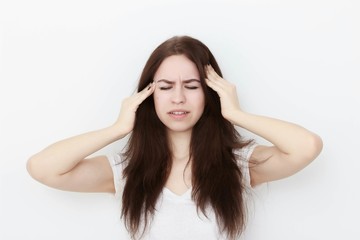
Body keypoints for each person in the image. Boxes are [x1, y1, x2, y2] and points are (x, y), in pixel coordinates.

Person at [27, 35, 323, 240]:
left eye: (192, 86)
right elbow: (42, 168)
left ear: (210, 93)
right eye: (166, 87)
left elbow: (307, 147)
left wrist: (236, 114)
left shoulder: (238, 164)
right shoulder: (126, 171)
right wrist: (116, 129)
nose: (178, 98)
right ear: (148, 95)